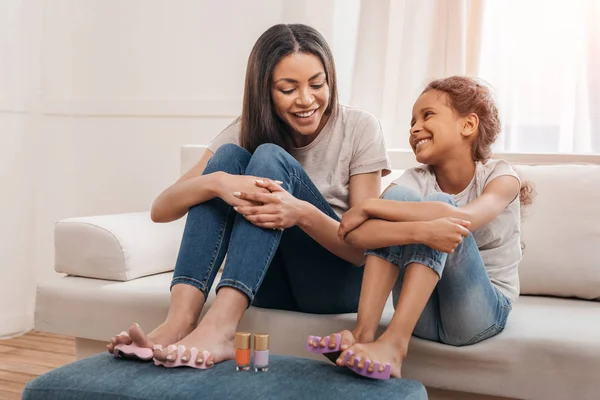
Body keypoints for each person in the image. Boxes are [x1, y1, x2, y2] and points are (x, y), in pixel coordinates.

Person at [106, 23, 390, 367]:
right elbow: (160, 209)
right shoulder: (245, 129)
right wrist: (217, 183)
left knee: (269, 157)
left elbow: (362, 250)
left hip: (335, 283)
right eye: (288, 89)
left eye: (317, 84)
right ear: (265, 92)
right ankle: (178, 322)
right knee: (227, 161)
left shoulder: (359, 127)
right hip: (269, 284)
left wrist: (299, 212)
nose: (306, 99)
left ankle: (220, 329)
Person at [313, 76, 532, 378]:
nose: (414, 128)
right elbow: (356, 235)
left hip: (480, 313)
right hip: (422, 315)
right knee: (406, 200)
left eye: (427, 115)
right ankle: (364, 334)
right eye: (411, 121)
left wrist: (369, 205)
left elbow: (460, 221)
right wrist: (419, 231)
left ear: (468, 125)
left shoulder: (501, 176)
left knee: (437, 206)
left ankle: (395, 344)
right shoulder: (414, 179)